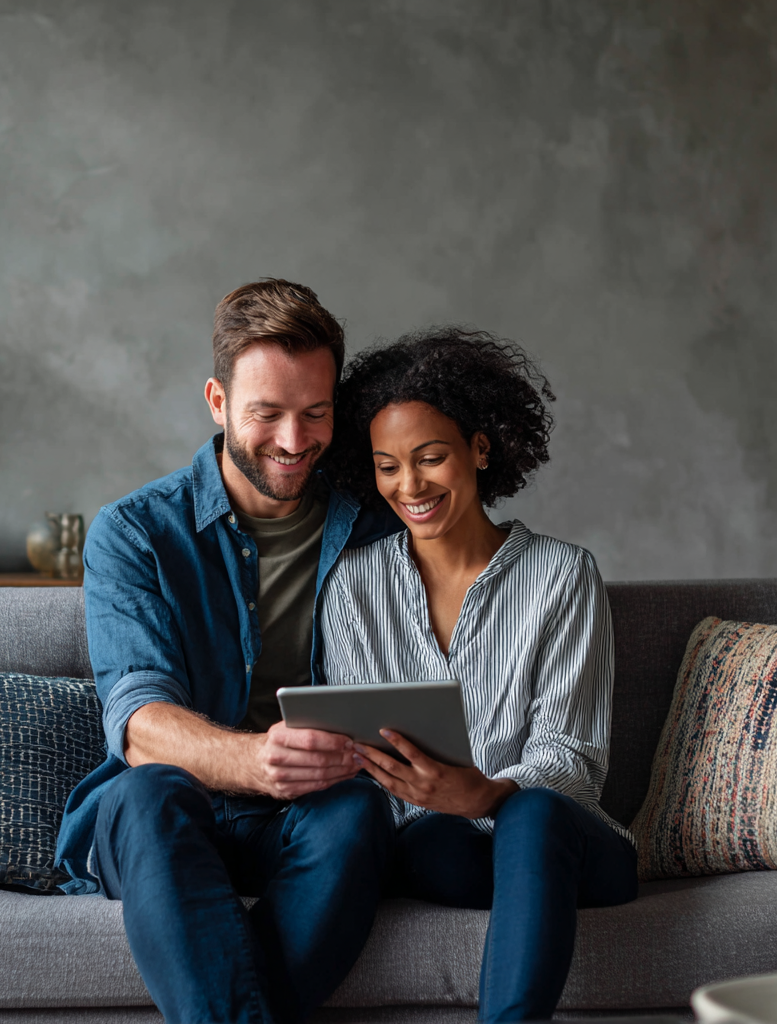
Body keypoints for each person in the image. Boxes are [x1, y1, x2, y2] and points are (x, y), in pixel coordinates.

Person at [55, 279, 400, 1024]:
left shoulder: (375, 523)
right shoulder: (136, 532)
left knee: (359, 813)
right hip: (167, 817)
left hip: (307, 820)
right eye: (266, 414)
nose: (293, 441)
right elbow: (139, 719)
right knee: (152, 791)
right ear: (217, 402)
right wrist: (254, 763)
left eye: (315, 414)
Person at [321, 327, 639, 1023]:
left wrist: (486, 792)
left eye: (430, 458)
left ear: (480, 449)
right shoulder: (353, 586)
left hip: (567, 841)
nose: (409, 486)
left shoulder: (562, 575)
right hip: (439, 847)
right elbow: (360, 750)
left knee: (529, 811)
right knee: (423, 838)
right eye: (387, 466)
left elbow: (574, 760)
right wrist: (434, 798)